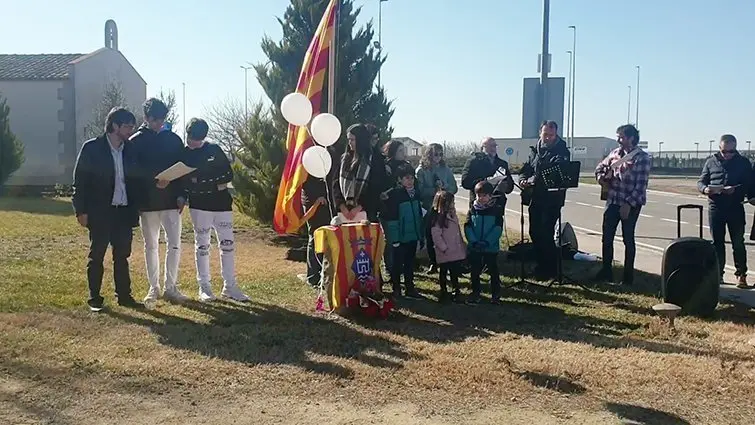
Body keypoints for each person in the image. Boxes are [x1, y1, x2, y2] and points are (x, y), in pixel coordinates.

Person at [72, 107, 140, 311]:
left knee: (122, 255)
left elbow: (136, 180)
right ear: (115, 126)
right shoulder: (92, 148)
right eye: (127, 126)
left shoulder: (130, 150)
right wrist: (80, 210)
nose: (131, 131)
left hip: (123, 211)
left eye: (132, 126)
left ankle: (124, 296)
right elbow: (80, 182)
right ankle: (94, 298)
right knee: (97, 255)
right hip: (100, 211)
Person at [181, 118, 250, 302]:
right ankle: (204, 287)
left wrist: (202, 183)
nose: (192, 142)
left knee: (227, 246)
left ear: (204, 137)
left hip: (222, 206)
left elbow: (228, 175)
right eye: (190, 138)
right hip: (199, 206)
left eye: (197, 139)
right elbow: (188, 181)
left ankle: (230, 286)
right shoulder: (185, 154)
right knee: (202, 245)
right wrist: (212, 183)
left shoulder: (214, 149)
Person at [129, 98, 189, 304]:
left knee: (174, 244)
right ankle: (153, 287)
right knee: (151, 246)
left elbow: (182, 169)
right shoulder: (135, 141)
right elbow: (132, 172)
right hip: (148, 203)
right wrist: (153, 181)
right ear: (146, 118)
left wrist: (182, 195)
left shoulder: (173, 140)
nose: (159, 124)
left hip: (172, 201)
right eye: (155, 120)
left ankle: (170, 286)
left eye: (162, 119)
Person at [594, 124, 651, 286]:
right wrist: (601, 178)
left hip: (630, 203)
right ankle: (606, 271)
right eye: (618, 136)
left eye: (622, 137)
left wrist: (628, 204)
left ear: (631, 138)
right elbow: (600, 168)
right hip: (612, 200)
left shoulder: (642, 158)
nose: (618, 140)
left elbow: (640, 186)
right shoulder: (614, 154)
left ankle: (628, 277)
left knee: (628, 239)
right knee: (607, 237)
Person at [698, 134, 752, 288]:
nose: (727, 155)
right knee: (717, 243)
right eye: (724, 151)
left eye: (731, 151)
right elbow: (701, 181)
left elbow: (749, 184)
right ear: (719, 148)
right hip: (716, 206)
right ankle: (718, 274)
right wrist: (706, 189)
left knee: (738, 242)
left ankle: (741, 274)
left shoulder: (743, 163)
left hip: (735, 206)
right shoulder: (710, 161)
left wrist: (735, 190)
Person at [518, 121, 570, 280]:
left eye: (551, 135)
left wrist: (537, 178)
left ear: (556, 134)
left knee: (546, 233)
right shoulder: (535, 150)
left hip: (552, 199)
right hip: (535, 197)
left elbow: (557, 171)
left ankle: (550, 269)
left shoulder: (562, 151)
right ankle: (541, 265)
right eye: (545, 134)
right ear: (540, 132)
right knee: (534, 232)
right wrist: (523, 179)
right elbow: (526, 168)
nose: (547, 138)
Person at [383, 163, 424, 299]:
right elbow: (392, 219)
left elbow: (418, 216)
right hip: (400, 237)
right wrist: (394, 239)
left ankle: (410, 287)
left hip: (413, 235)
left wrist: (420, 236)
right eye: (406, 178)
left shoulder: (416, 194)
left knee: (409, 263)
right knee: (397, 264)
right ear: (399, 179)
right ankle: (396, 288)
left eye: (411, 178)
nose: (410, 181)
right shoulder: (395, 195)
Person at [416, 143, 457, 273]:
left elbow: (454, 187)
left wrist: (444, 189)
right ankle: (433, 262)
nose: (438, 157)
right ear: (429, 154)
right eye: (435, 154)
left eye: (440, 154)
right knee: (431, 235)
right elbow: (420, 191)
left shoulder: (446, 169)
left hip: (445, 208)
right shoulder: (421, 170)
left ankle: (449, 261)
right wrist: (434, 190)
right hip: (429, 208)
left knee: (447, 234)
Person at [332, 124, 385, 223]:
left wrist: (359, 207)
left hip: (366, 213)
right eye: (348, 139)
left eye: (352, 140)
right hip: (344, 213)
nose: (349, 143)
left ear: (361, 140)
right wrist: (341, 206)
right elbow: (335, 184)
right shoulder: (344, 159)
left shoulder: (374, 160)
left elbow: (375, 188)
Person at [464, 181, 504, 304]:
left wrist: (487, 242)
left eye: (484, 195)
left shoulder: (496, 211)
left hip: (490, 247)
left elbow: (497, 229)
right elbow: (467, 226)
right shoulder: (472, 210)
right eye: (479, 195)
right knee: (475, 271)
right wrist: (473, 241)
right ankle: (476, 293)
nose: (481, 198)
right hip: (475, 247)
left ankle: (495, 294)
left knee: (493, 270)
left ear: (490, 196)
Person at [380, 139, 411, 284]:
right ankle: (389, 268)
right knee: (391, 240)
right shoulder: (386, 167)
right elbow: (382, 186)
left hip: (404, 208)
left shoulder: (407, 166)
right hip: (389, 208)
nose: (403, 153)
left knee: (404, 240)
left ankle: (405, 268)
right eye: (400, 151)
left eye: (404, 150)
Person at [430, 190, 466, 304]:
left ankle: (456, 290)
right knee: (443, 272)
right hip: (445, 251)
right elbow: (436, 235)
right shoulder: (438, 218)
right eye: (451, 203)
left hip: (455, 250)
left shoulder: (453, 214)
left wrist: (462, 243)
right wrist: (443, 247)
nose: (453, 205)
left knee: (455, 272)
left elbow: (457, 232)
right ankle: (443, 290)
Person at [461, 137, 514, 210]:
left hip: (497, 207)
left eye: (494, 146)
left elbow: (510, 186)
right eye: (490, 146)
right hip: (478, 207)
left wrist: (505, 186)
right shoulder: (473, 161)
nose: (493, 148)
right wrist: (485, 181)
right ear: (482, 148)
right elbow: (465, 182)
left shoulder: (502, 163)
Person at [300, 164, 332, 288]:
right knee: (314, 238)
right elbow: (305, 183)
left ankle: (325, 273)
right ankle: (313, 276)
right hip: (313, 204)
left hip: (326, 204)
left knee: (326, 240)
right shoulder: (309, 161)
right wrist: (316, 199)